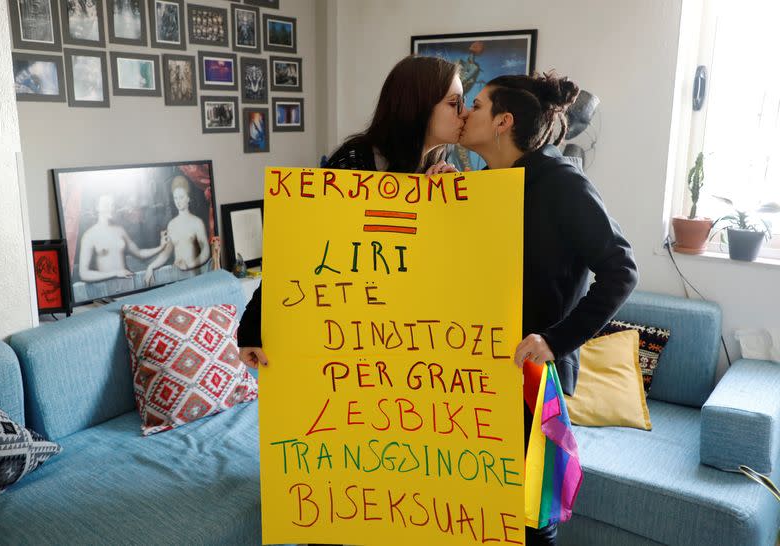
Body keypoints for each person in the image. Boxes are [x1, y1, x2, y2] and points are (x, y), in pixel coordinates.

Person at [458, 71, 639, 545]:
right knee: (481, 516)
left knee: (529, 522)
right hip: (481, 371)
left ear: (503, 121)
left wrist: (553, 340)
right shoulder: (486, 183)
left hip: (536, 380)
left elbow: (622, 270)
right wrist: (441, 200)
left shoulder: (562, 184)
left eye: (475, 105)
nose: (465, 114)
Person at [237, 54, 468, 372]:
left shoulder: (441, 169)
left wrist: (451, 209)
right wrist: (252, 325)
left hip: (413, 335)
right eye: (454, 102)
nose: (464, 113)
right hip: (354, 333)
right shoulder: (354, 161)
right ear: (419, 105)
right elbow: (299, 246)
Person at [77, 194, 167, 283]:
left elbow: (139, 253)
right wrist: (115, 273)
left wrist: (161, 247)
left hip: (128, 283)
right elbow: (84, 274)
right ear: (97, 207)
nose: (110, 208)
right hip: (107, 289)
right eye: (106, 204)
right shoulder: (89, 236)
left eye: (112, 204)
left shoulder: (120, 230)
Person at [145, 175, 211, 285]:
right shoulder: (171, 225)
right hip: (176, 277)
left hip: (194, 275)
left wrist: (190, 264)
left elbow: (206, 251)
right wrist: (150, 267)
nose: (178, 201)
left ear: (188, 198)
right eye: (175, 198)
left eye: (181, 197)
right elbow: (166, 254)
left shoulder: (197, 222)